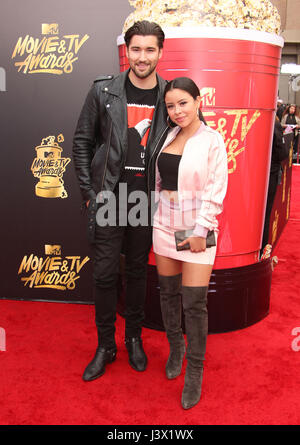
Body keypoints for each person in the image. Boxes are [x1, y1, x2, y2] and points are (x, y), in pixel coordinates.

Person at [72, 21, 168, 381]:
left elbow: (190, 142)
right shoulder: (104, 92)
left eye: (150, 49)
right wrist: (89, 195)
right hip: (110, 197)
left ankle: (133, 338)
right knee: (105, 274)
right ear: (126, 50)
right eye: (136, 49)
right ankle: (105, 346)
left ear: (160, 52)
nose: (142, 57)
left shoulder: (170, 94)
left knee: (139, 273)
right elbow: (81, 142)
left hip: (146, 199)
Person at [152, 77, 228, 409]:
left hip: (195, 229)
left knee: (194, 304)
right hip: (164, 225)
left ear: (199, 101)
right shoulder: (167, 134)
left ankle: (194, 372)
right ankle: (176, 349)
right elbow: (159, 181)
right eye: (171, 105)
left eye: (184, 102)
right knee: (168, 294)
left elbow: (215, 190)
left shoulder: (212, 140)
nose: (177, 110)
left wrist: (201, 230)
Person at [261, 116, 289, 255]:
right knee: (265, 215)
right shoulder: (273, 123)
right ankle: (262, 251)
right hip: (270, 174)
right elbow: (282, 153)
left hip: (254, 175)